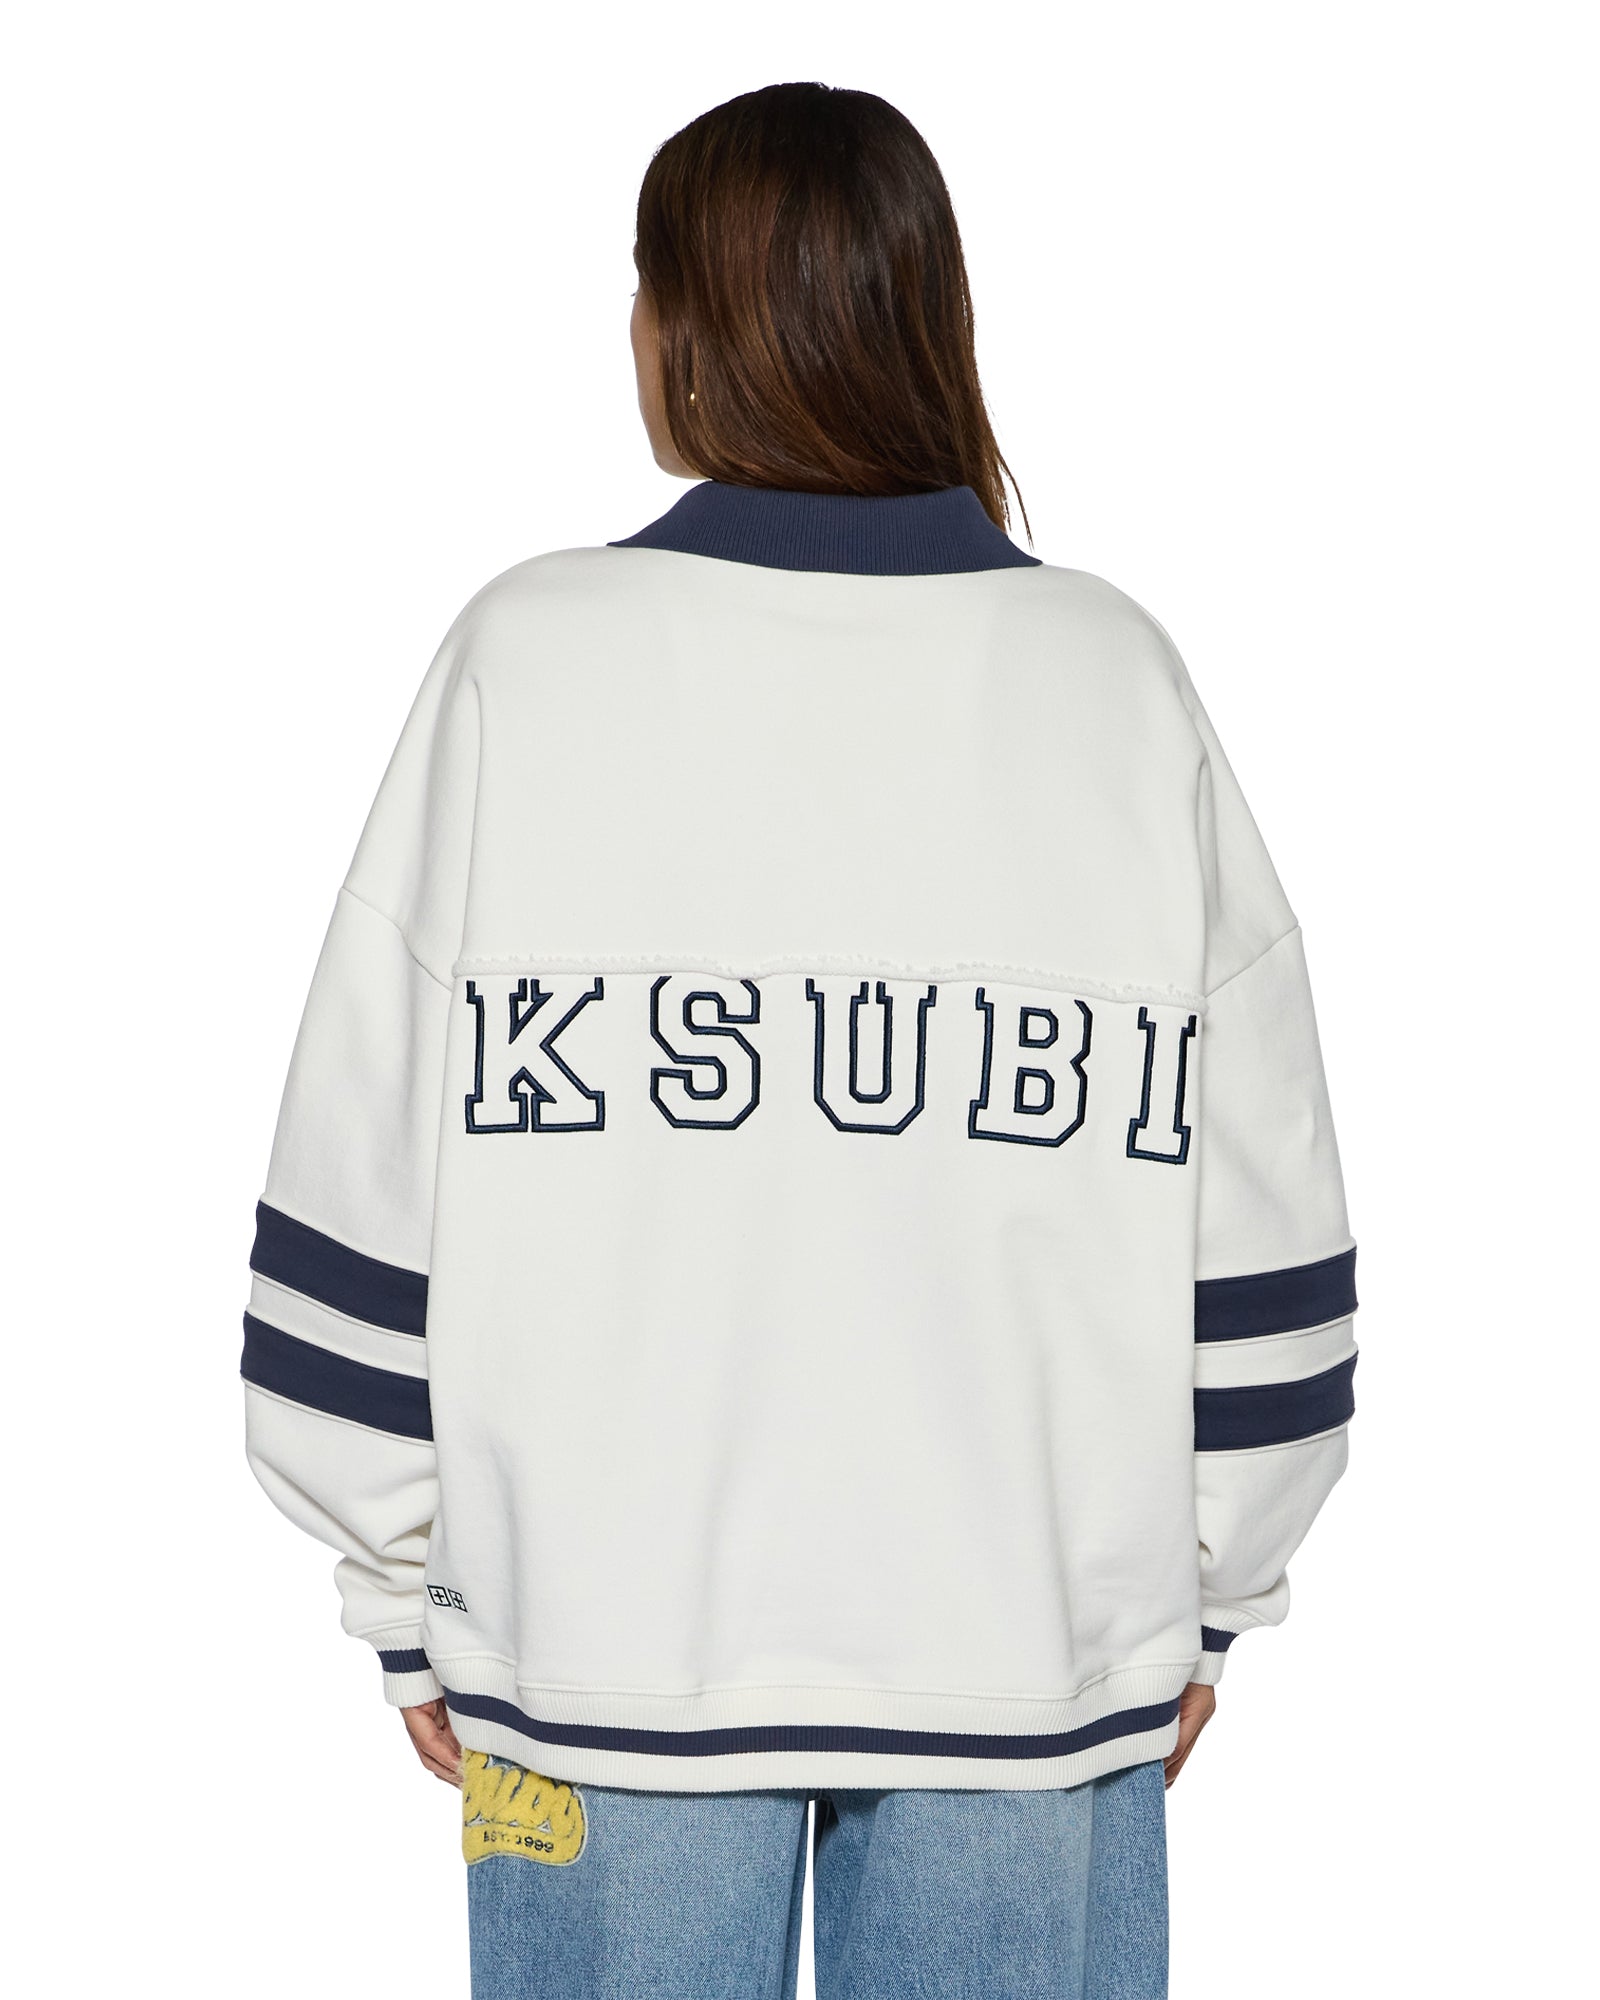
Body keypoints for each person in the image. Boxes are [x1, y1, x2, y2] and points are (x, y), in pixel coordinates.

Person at [239, 81, 1358, 2000]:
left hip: (600, 1654)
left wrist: (406, 1588)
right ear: (931, 318)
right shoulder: (1115, 684)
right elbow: (1264, 1208)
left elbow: (362, 1168)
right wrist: (1208, 1589)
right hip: (1031, 1657)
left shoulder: (528, 661)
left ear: (685, 322)